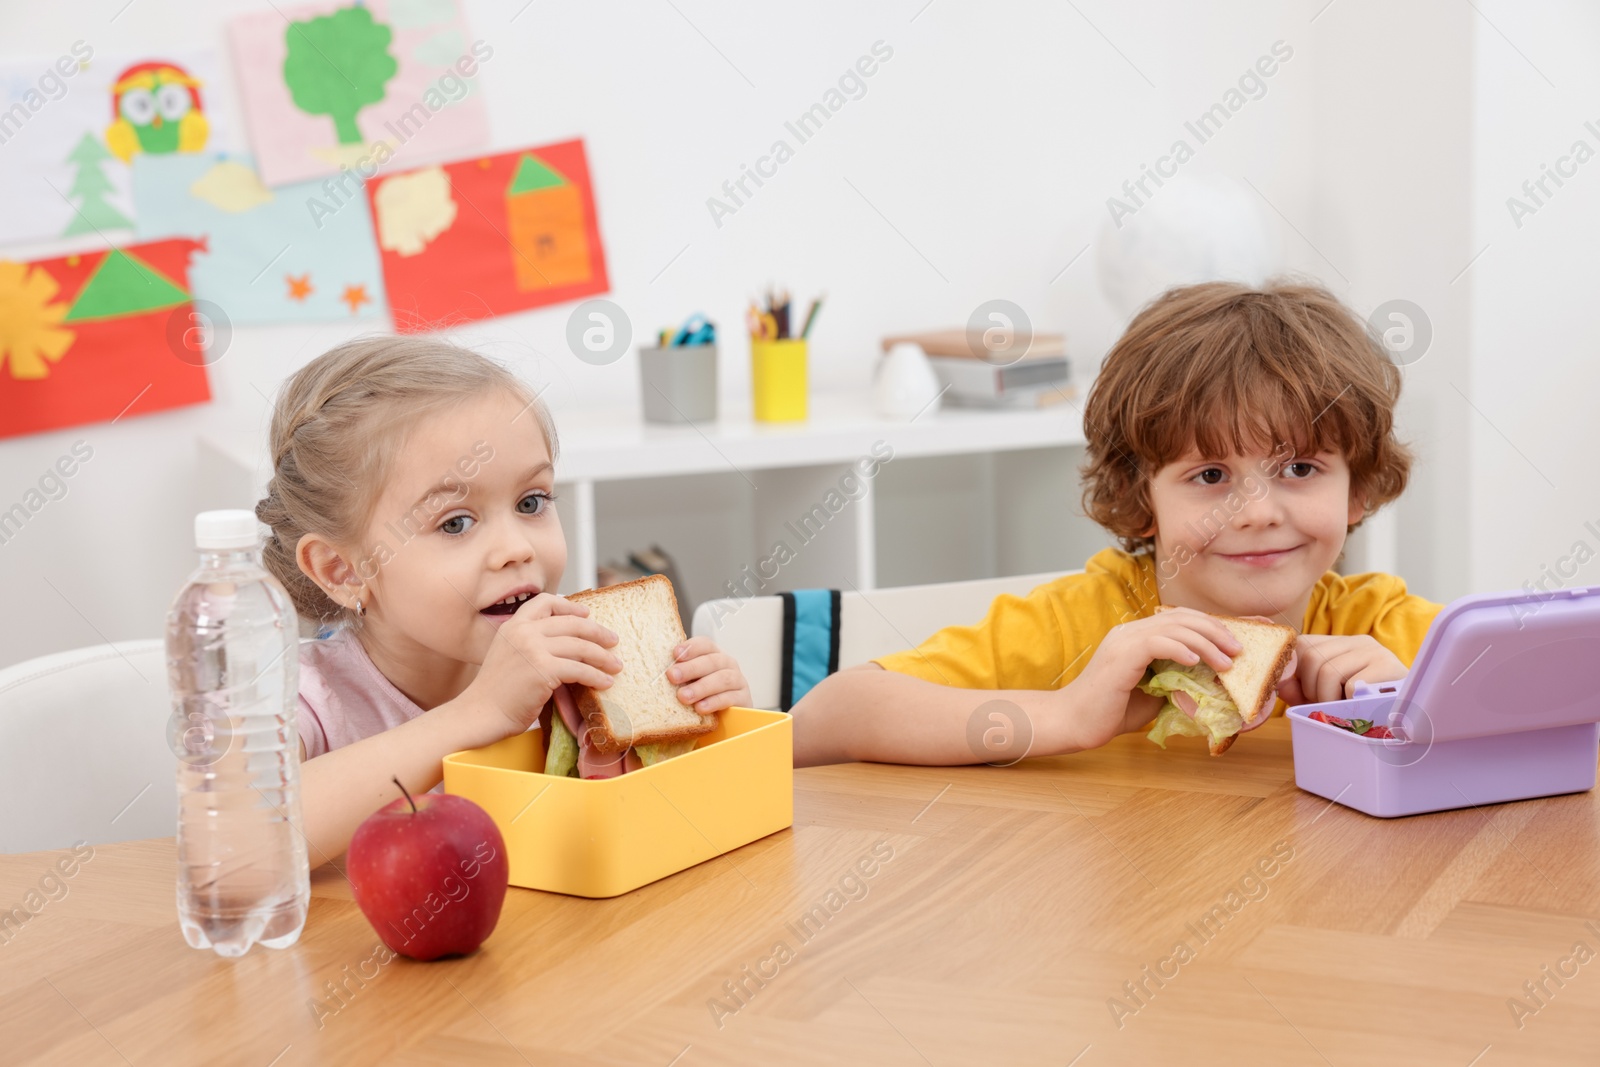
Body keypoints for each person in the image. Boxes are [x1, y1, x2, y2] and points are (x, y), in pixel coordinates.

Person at [792, 279, 1443, 767]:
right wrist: (1069, 712)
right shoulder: (1082, 624)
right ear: (1141, 498)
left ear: (1358, 489)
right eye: (1210, 476)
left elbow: (1543, 713)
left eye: (1300, 468)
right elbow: (820, 722)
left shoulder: (1382, 626)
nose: (1258, 513)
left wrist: (1409, 701)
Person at [256, 337, 750, 865]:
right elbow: (243, 855)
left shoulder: (583, 679)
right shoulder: (299, 698)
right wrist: (480, 711)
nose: (516, 548)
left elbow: (659, 827)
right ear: (343, 570)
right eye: (455, 523)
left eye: (531, 502)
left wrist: (719, 731)